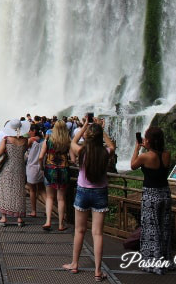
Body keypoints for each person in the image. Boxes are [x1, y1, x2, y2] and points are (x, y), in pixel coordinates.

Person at [63, 117, 115, 282]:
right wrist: (101, 128)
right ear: (100, 139)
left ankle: (74, 264)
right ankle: (98, 271)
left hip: (83, 192)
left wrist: (85, 125)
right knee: (97, 233)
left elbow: (73, 140)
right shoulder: (106, 152)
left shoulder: (81, 151)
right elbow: (112, 145)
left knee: (79, 230)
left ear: (87, 137)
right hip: (100, 192)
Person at [131, 126, 173, 274]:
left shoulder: (146, 156)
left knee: (151, 229)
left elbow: (133, 165)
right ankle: (166, 260)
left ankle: (153, 262)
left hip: (151, 195)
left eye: (146, 138)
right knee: (164, 227)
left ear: (148, 140)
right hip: (165, 194)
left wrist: (137, 148)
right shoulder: (166, 154)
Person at [0, 120, 27, 226]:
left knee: (5, 190)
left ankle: (4, 218)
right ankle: (19, 218)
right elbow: (24, 152)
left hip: (7, 168)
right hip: (20, 168)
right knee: (19, 191)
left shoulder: (6, 139)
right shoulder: (25, 140)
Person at [39, 119, 71, 231]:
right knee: (61, 198)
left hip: (50, 170)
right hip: (63, 171)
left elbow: (40, 157)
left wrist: (42, 167)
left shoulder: (48, 140)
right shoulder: (67, 141)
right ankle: (61, 225)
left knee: (49, 197)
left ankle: (48, 221)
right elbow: (72, 157)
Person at [25, 124, 45, 217]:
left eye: (30, 131)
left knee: (32, 190)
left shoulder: (31, 140)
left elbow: (23, 149)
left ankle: (33, 211)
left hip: (32, 166)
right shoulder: (44, 140)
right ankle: (47, 209)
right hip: (42, 167)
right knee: (41, 189)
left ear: (34, 131)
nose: (28, 132)